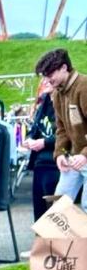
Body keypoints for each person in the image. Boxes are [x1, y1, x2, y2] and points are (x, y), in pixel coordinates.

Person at [35, 48, 87, 209]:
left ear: (64, 68)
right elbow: (61, 128)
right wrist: (59, 154)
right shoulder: (58, 93)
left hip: (83, 155)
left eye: (50, 74)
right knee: (59, 205)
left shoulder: (84, 86)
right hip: (75, 157)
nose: (47, 79)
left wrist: (85, 154)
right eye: (44, 75)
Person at [23, 77, 58, 221]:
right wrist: (30, 139)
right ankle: (42, 236)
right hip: (39, 163)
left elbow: (69, 133)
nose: (45, 82)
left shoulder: (63, 103)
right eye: (43, 78)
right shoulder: (44, 103)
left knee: (55, 214)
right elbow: (37, 128)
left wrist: (44, 142)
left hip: (56, 164)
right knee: (40, 214)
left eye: (49, 78)